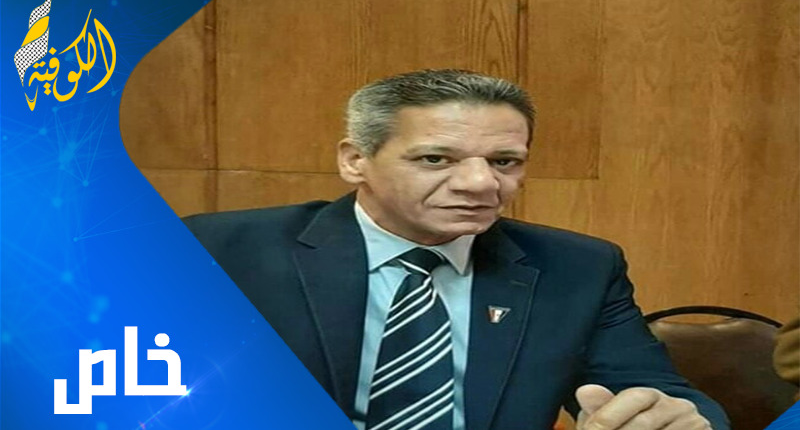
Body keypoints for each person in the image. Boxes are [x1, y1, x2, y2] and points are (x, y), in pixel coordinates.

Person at [184, 69, 728, 429]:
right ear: (355, 161)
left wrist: (677, 418)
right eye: (436, 159)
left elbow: (657, 393)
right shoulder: (217, 252)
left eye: (504, 162)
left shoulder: (577, 268)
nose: (480, 184)